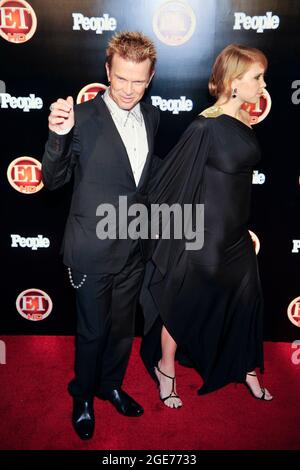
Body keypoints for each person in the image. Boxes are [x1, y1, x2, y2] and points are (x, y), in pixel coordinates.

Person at [140, 44, 273, 409]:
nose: (263, 85)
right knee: (181, 300)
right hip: (207, 237)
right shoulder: (205, 127)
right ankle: (165, 366)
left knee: (246, 301)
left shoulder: (244, 121)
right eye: (257, 77)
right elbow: (173, 177)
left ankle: (247, 368)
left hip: (237, 237)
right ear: (233, 81)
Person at [42, 31, 159, 439]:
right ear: (107, 71)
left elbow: (140, 182)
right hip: (92, 250)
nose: (128, 90)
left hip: (133, 249)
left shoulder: (152, 114)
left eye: (138, 81)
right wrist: (58, 135)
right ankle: (84, 396)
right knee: (91, 332)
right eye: (121, 78)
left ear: (150, 78)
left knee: (123, 329)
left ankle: (111, 385)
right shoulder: (83, 116)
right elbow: (53, 182)